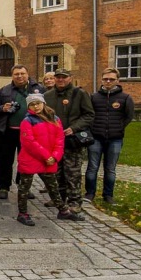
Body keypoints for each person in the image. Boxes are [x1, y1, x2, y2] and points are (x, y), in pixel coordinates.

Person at [16, 94, 85, 225]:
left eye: (38, 103)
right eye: (32, 104)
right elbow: (29, 142)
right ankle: (23, 213)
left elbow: (60, 139)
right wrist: (46, 156)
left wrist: (56, 156)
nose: (36, 106)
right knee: (24, 188)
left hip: (49, 159)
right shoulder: (27, 121)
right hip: (32, 158)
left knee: (53, 186)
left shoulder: (55, 119)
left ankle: (63, 210)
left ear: (43, 103)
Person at [0, 65, 44, 200]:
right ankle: (3, 187)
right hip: (8, 131)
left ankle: (23, 186)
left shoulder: (38, 89)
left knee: (26, 161)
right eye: (16, 74)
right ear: (12, 76)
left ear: (27, 74)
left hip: (30, 132)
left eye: (22, 73)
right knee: (4, 161)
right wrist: (3, 108)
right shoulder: (5, 90)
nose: (20, 76)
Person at [44, 68, 95, 213]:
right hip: (53, 141)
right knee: (56, 171)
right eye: (58, 77)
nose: (60, 80)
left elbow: (89, 115)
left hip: (72, 139)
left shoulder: (80, 94)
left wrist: (74, 128)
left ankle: (75, 201)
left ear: (70, 78)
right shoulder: (48, 95)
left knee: (72, 172)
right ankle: (59, 198)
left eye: (63, 77)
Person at [86, 68, 135, 205]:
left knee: (110, 169)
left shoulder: (125, 98)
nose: (108, 81)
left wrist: (119, 127)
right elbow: (89, 115)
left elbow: (129, 116)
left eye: (111, 79)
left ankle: (108, 195)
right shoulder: (94, 97)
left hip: (115, 138)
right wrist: (93, 128)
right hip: (96, 137)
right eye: (105, 79)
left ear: (117, 81)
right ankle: (90, 193)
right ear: (101, 80)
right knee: (92, 167)